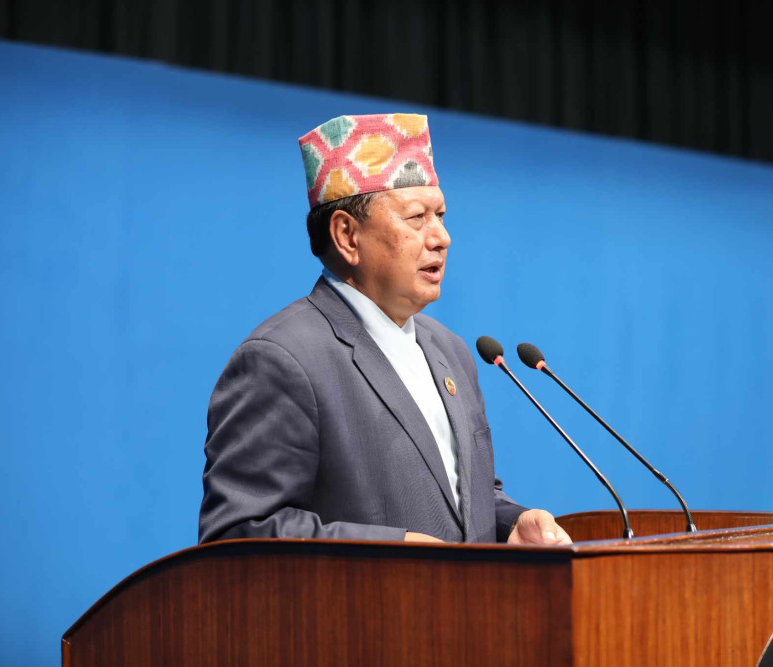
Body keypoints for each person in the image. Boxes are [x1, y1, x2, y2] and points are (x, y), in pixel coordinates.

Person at [199, 113, 571, 546]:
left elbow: (466, 498)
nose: (442, 237)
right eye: (416, 217)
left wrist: (512, 523)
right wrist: (394, 550)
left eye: (441, 215)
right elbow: (239, 533)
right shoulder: (283, 359)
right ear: (347, 236)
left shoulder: (450, 350)